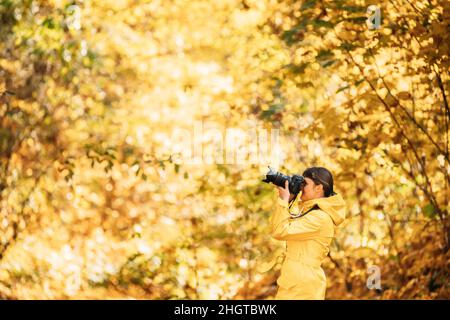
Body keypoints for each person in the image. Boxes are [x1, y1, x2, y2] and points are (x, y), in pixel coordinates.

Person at [269, 166, 346, 299]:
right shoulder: (310, 212)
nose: (300, 187)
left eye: (305, 184)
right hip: (296, 282)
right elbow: (282, 224)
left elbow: (279, 231)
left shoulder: (319, 217)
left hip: (302, 285)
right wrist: (289, 199)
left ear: (318, 188)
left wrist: (283, 201)